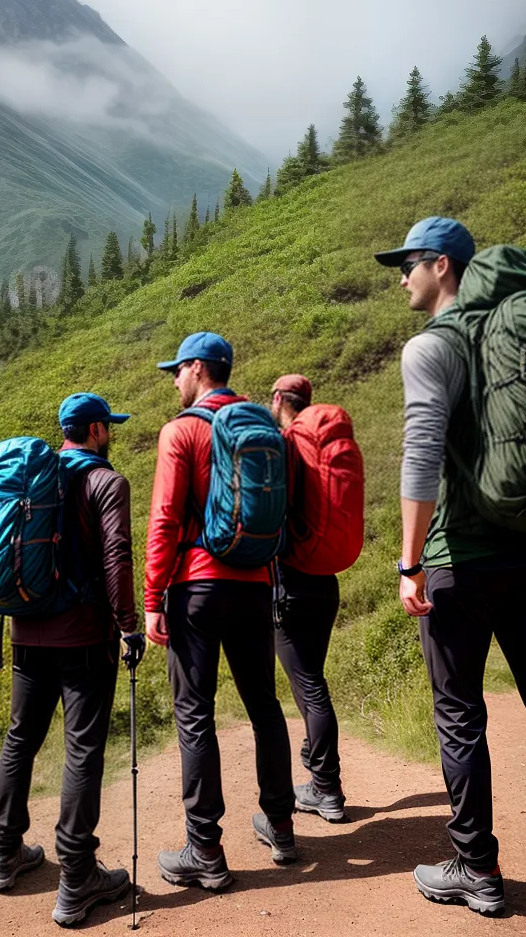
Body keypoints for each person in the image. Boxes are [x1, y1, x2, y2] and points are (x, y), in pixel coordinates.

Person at [375, 217, 526, 924]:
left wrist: (409, 563)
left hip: (462, 562)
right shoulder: (520, 337)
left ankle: (478, 872)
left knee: (459, 716)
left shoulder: (434, 347)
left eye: (410, 264)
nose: (402, 277)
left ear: (443, 267)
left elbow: (421, 457)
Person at [0, 392, 145, 928]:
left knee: (20, 739)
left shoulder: (39, 479)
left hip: (27, 631)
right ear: (96, 430)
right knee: (82, 751)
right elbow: (117, 557)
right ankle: (77, 881)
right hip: (82, 638)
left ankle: (4, 853)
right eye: (110, 426)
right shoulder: (107, 482)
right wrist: (129, 626)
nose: (112, 434)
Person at [145, 332, 296, 887]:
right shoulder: (264, 427)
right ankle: (281, 826)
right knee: (264, 705)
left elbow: (164, 519)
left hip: (198, 588)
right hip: (255, 584)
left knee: (195, 713)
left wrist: (152, 600)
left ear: (197, 369)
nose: (174, 381)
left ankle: (205, 851)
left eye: (177, 371)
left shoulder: (182, 430)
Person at [271, 374, 346, 822]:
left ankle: (326, 788)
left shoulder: (284, 445)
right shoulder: (323, 450)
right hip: (326, 582)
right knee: (311, 679)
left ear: (279, 400)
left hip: (289, 586)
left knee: (311, 688)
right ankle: (317, 772)